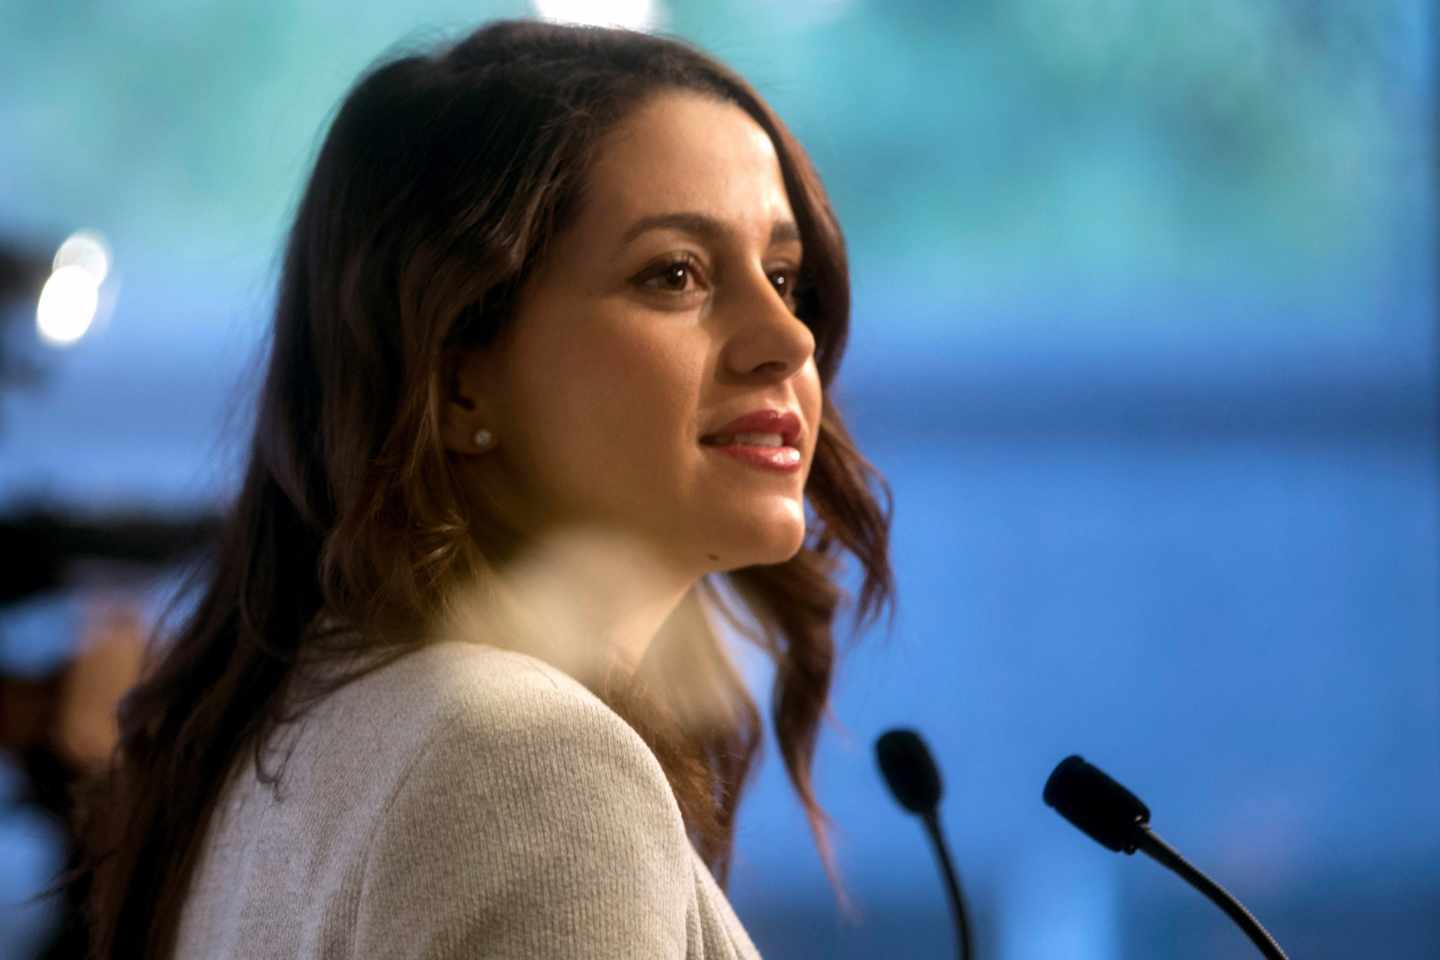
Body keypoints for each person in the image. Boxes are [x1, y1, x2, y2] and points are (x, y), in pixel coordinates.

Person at [77, 17, 894, 959]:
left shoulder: (301, 731)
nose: (789, 341)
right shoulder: (532, 763)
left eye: (784, 276)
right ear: (459, 375)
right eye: (675, 274)